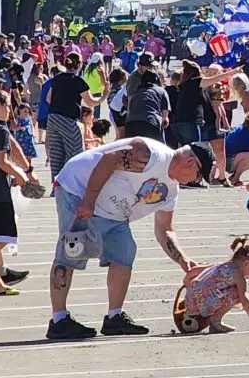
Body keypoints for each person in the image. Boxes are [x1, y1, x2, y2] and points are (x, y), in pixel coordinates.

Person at [45, 137, 214, 340]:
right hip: (78, 188)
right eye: (197, 176)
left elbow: (164, 229)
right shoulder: (150, 155)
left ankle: (114, 317)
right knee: (72, 250)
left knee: (124, 252)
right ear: (190, 162)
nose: (194, 181)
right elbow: (109, 160)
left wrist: (182, 259)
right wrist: (88, 200)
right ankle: (59, 320)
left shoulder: (171, 191)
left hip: (114, 212)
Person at [0, 91, 38, 296]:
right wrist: (21, 175)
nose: (8, 110)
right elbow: (2, 161)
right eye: (5, 106)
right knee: (5, 235)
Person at [182, 236, 249, 333]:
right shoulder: (238, 276)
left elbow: (194, 270)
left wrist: (187, 284)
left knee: (220, 290)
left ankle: (201, 316)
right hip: (203, 305)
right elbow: (245, 300)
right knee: (237, 294)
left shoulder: (220, 265)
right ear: (246, 264)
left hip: (189, 303)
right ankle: (215, 320)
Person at [47, 52, 104, 184]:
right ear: (79, 65)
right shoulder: (78, 81)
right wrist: (104, 96)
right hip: (68, 118)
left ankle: (56, 184)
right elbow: (90, 102)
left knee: (56, 153)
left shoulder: (57, 78)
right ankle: (72, 183)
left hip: (53, 118)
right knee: (75, 152)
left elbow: (48, 98)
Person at [123, 69, 170, 142]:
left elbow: (129, 111)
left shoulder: (136, 92)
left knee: (132, 150)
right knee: (158, 148)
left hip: (131, 123)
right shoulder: (161, 91)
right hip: (151, 122)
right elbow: (165, 117)